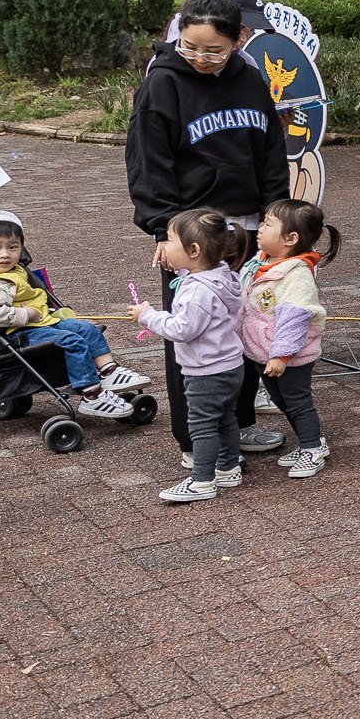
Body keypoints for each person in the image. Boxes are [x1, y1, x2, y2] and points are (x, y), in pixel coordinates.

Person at [126, 0, 290, 458]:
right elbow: (146, 162)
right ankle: (195, 440)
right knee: (195, 335)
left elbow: (271, 156)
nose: (200, 57)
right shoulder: (164, 82)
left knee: (244, 329)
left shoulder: (251, 79)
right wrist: (163, 228)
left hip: (247, 230)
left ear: (238, 39)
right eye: (189, 46)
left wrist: (275, 217)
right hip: (191, 236)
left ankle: (237, 426)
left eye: (213, 49)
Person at [0, 208, 151, 419]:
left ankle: (109, 372)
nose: (5, 254)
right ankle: (92, 395)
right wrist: (27, 315)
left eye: (13, 247)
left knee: (85, 328)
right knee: (72, 341)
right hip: (17, 333)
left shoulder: (12, 270)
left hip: (41, 324)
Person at [128, 208, 247, 504]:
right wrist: (180, 267)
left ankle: (202, 480)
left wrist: (148, 316)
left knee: (203, 425)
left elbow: (183, 329)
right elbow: (194, 276)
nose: (164, 246)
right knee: (226, 418)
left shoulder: (197, 291)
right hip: (230, 364)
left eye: (169, 241)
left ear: (193, 250)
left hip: (205, 370)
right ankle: (228, 467)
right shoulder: (220, 274)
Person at [238, 198, 339, 478]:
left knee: (297, 402)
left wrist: (281, 355)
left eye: (268, 224)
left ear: (291, 238)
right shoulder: (262, 262)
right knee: (281, 401)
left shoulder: (296, 275)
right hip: (263, 352)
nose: (259, 227)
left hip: (288, 357)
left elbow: (294, 319)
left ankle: (311, 449)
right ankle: (312, 441)